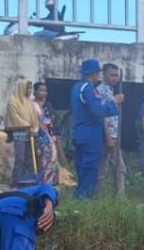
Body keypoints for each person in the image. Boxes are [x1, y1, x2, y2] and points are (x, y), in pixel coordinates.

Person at [70, 59, 118, 199]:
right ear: (94, 73)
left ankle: (80, 197)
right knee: (90, 169)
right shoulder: (88, 88)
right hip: (90, 135)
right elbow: (97, 111)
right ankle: (83, 199)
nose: (99, 75)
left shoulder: (76, 87)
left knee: (81, 168)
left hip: (80, 133)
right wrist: (114, 103)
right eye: (98, 72)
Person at [97, 63, 127, 197]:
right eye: (112, 75)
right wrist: (108, 137)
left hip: (115, 136)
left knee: (120, 169)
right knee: (102, 170)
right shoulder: (100, 91)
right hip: (105, 136)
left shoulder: (110, 91)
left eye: (117, 75)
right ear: (104, 74)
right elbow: (101, 115)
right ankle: (97, 198)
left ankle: (119, 199)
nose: (115, 78)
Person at [5, 80, 40, 187]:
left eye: (30, 88)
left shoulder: (29, 102)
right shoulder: (13, 101)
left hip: (31, 133)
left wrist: (35, 128)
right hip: (19, 133)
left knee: (30, 158)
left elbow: (34, 117)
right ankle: (16, 181)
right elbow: (15, 118)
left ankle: (28, 180)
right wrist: (27, 127)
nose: (29, 91)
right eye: (27, 88)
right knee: (20, 157)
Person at [33, 81, 59, 186]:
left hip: (48, 136)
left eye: (45, 91)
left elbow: (51, 121)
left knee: (51, 158)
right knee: (39, 159)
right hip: (36, 136)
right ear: (35, 92)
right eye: (41, 90)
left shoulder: (48, 105)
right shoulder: (31, 105)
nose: (44, 93)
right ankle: (38, 182)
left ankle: (50, 182)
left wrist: (54, 136)